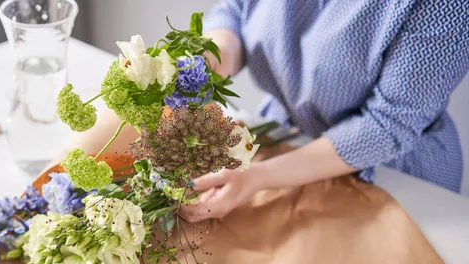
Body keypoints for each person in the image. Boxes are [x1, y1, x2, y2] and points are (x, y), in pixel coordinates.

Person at [180, 0, 469, 223]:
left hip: (395, 175)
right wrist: (215, 55)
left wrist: (259, 177)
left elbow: (388, 124)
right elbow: (236, 9)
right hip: (284, 135)